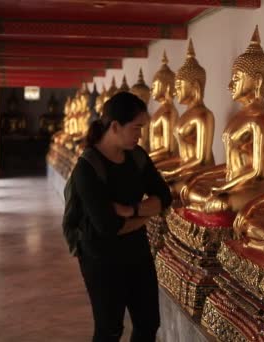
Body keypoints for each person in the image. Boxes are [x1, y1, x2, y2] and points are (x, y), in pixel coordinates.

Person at [71, 92, 172, 342]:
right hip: (100, 257)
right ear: (115, 126)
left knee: (148, 323)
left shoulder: (137, 157)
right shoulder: (87, 168)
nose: (140, 134)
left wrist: (132, 211)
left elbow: (164, 197)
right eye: (136, 127)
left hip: (137, 251)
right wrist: (147, 213)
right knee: (109, 329)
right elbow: (107, 226)